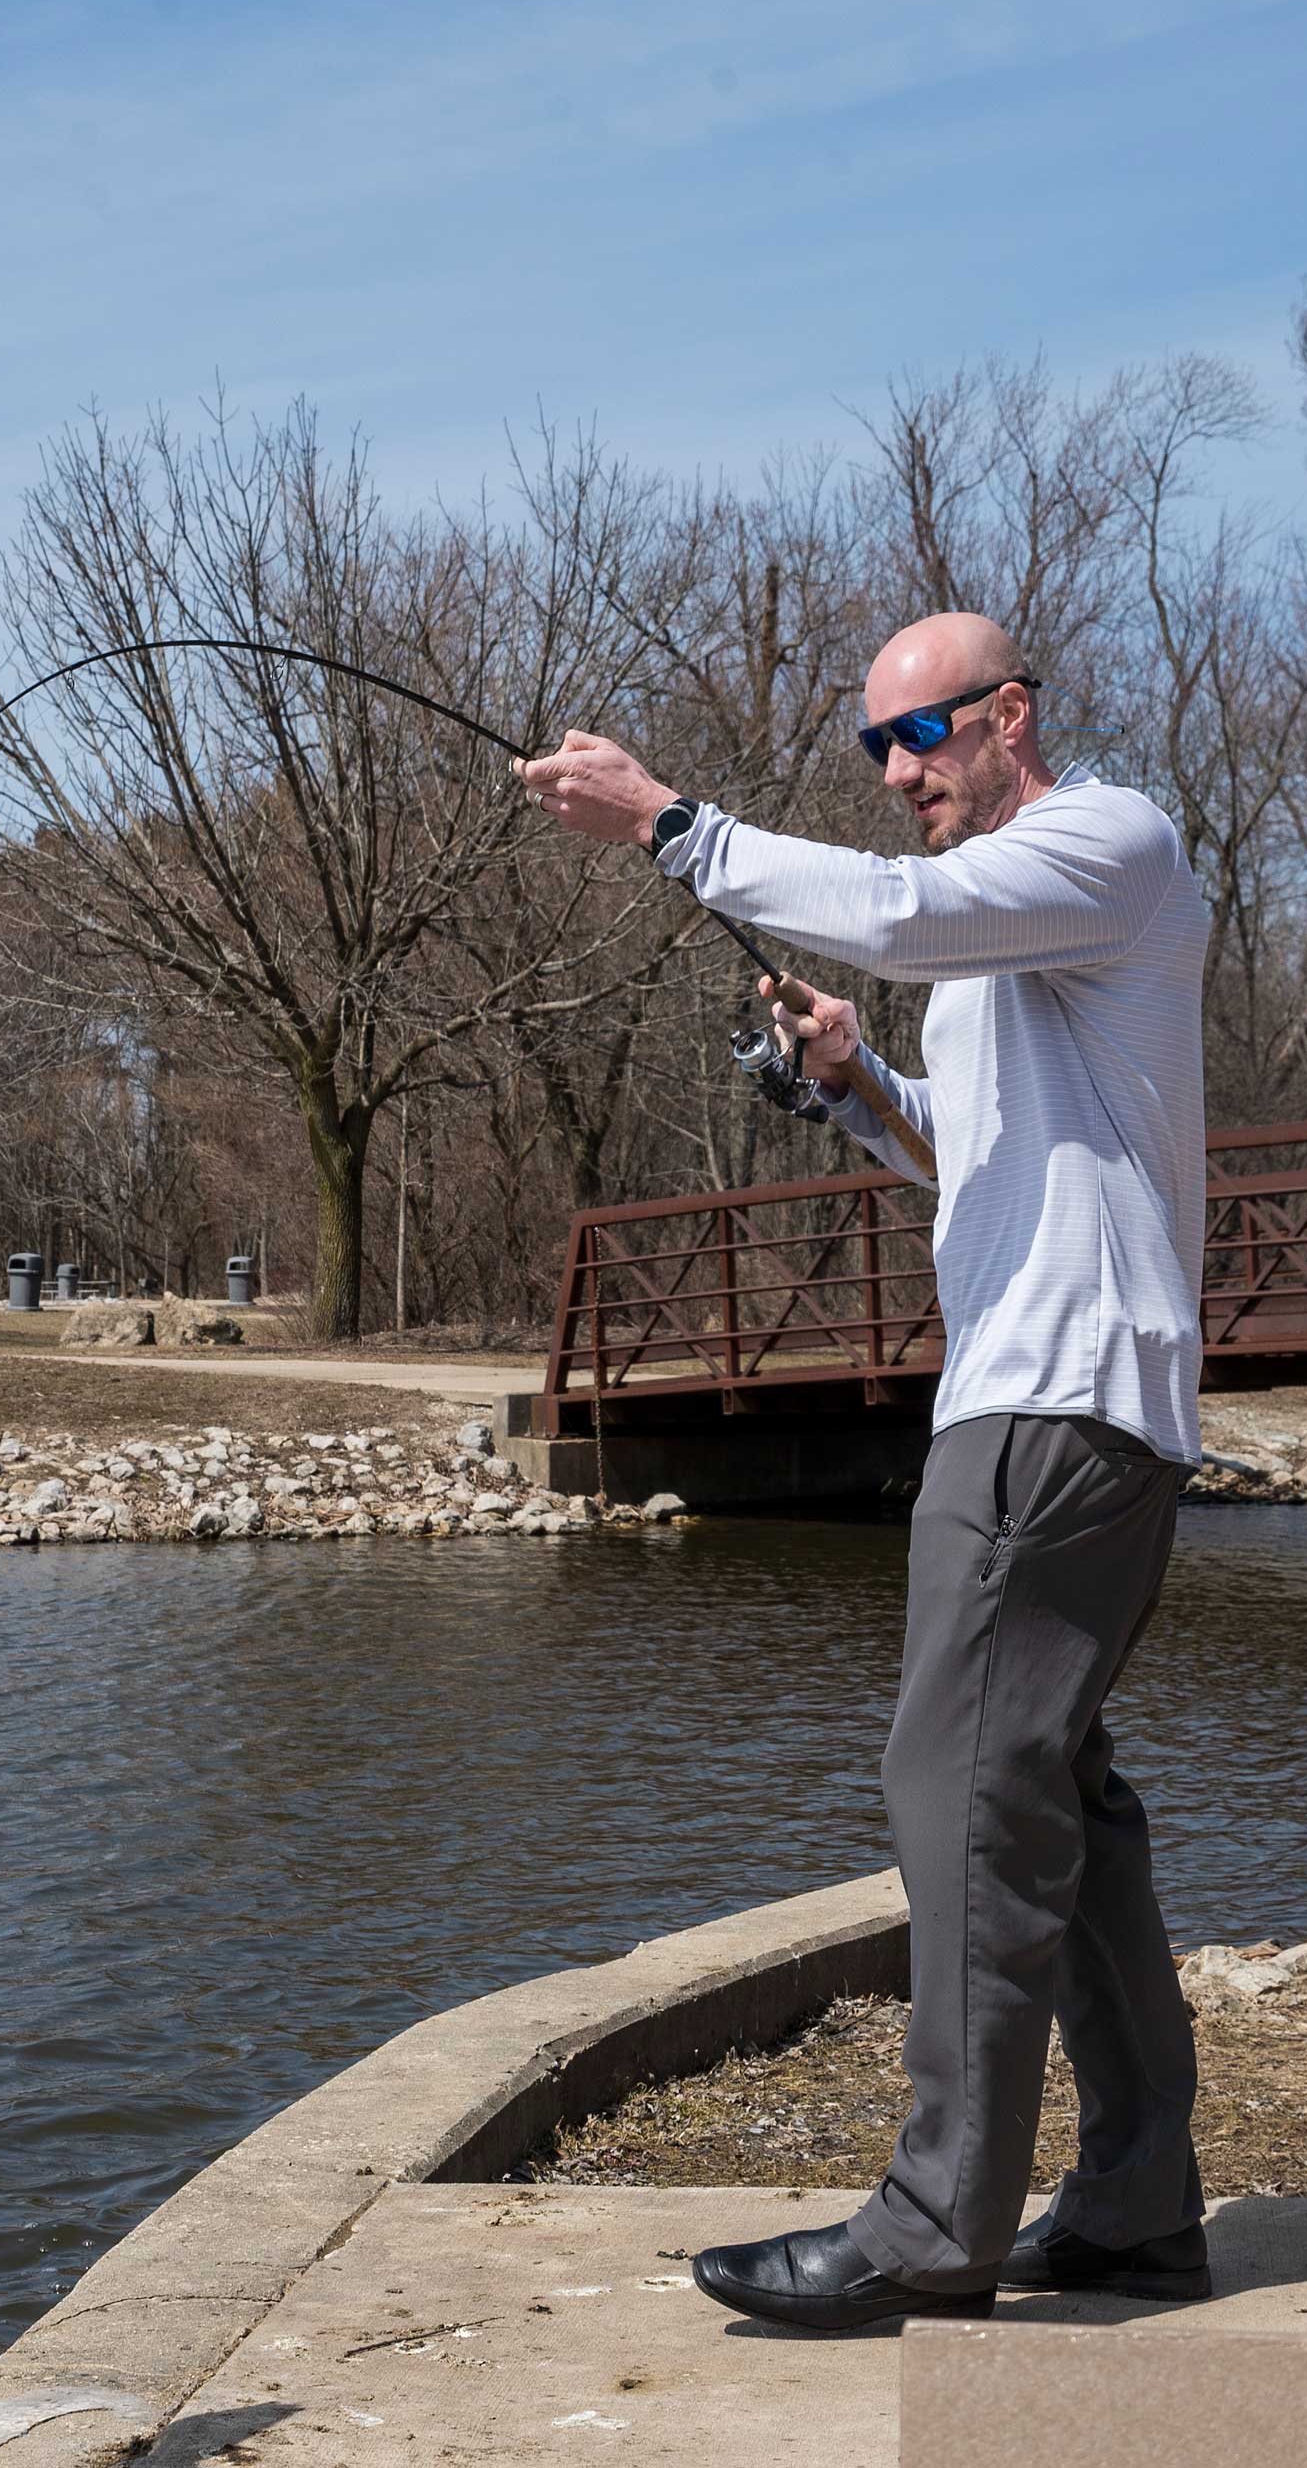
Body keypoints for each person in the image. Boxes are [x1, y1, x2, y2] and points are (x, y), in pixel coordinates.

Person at [516, 611, 1213, 2331]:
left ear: (1011, 716)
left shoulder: (1106, 842)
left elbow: (904, 917)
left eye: (922, 735)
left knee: (958, 1781)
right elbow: (961, 1163)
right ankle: (1133, 2202)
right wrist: (848, 1082)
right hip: (1058, 1398)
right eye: (872, 745)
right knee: (1065, 1803)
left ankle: (932, 2224)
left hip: (1052, 1407)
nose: (898, 769)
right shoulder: (1006, 950)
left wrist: (675, 827)